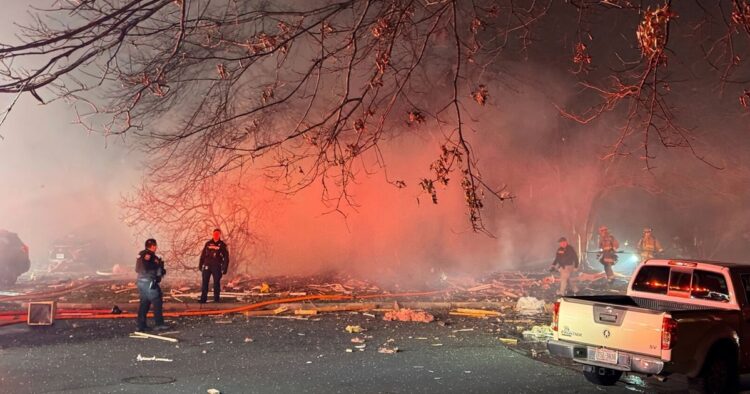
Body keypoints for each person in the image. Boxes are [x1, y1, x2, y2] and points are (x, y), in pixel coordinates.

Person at [135, 238, 167, 331]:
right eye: (155, 245)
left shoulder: (140, 254)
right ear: (153, 246)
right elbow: (150, 268)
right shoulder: (151, 256)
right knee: (157, 301)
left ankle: (141, 325)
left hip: (141, 282)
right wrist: (158, 266)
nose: (156, 247)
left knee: (144, 303)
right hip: (149, 282)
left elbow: (137, 269)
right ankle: (159, 324)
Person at [199, 228, 230, 303]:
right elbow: (203, 255)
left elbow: (226, 257)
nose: (216, 235)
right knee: (205, 282)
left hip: (216, 266)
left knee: (216, 283)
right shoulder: (208, 243)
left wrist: (224, 268)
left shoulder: (222, 245)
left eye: (217, 234)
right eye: (214, 234)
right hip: (207, 266)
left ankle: (216, 299)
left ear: (219, 235)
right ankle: (203, 299)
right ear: (213, 234)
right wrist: (200, 264)